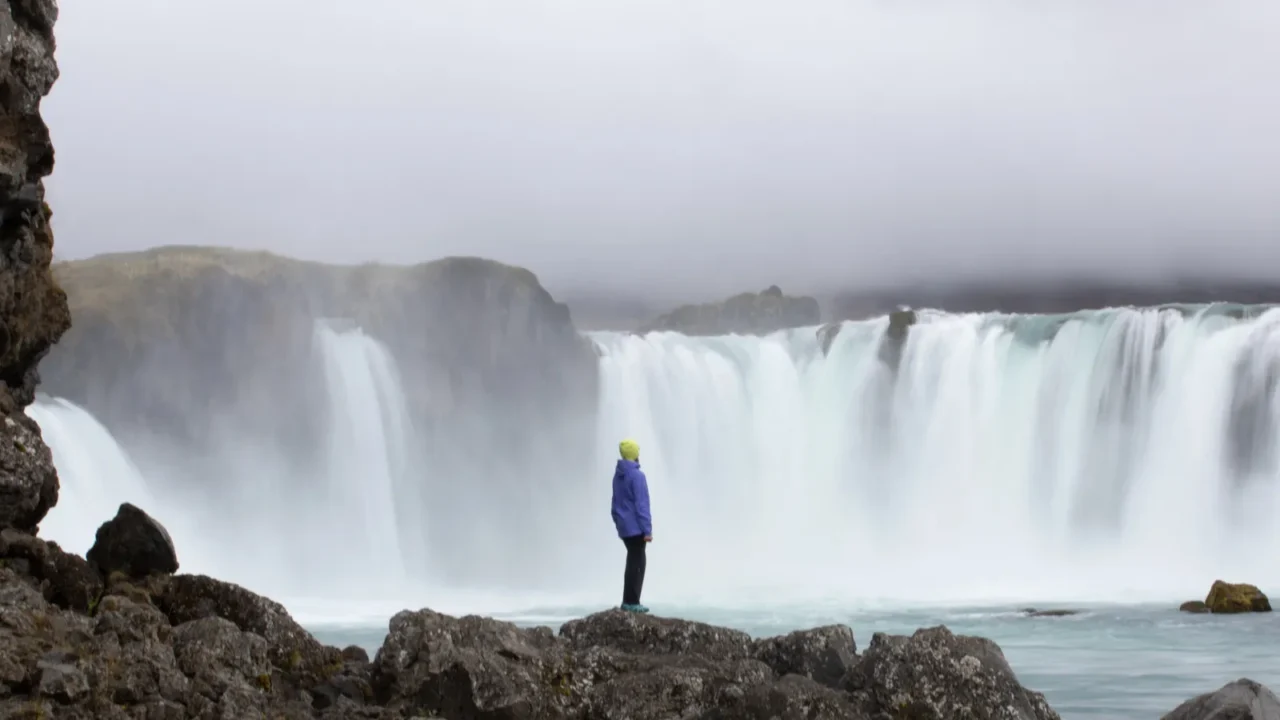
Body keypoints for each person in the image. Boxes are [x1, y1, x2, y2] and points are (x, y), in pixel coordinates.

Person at [611, 438, 652, 613]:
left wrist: (617, 521)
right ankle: (632, 602)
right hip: (635, 527)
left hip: (624, 526)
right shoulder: (637, 476)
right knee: (638, 562)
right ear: (634, 455)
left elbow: (615, 501)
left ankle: (628, 600)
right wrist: (647, 530)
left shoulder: (618, 475)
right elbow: (642, 505)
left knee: (632, 561)